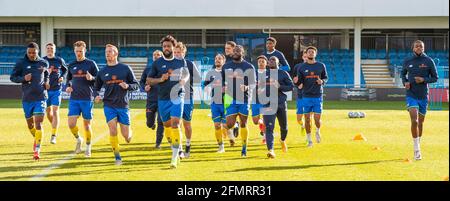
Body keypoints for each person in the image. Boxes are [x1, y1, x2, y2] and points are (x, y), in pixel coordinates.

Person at [147, 35, 190, 168]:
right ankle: (177, 148)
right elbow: (149, 80)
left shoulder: (179, 60)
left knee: (176, 124)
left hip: (177, 96)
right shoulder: (157, 63)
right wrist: (160, 79)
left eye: (169, 46)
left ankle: (174, 157)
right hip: (163, 98)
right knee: (167, 126)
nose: (166, 48)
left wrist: (184, 80)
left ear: (173, 47)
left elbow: (187, 72)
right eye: (164, 46)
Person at [94, 44, 139, 165]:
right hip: (109, 105)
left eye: (110, 51)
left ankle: (129, 133)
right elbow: (95, 88)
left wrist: (127, 86)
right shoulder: (102, 71)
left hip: (123, 105)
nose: (107, 54)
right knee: (112, 130)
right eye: (106, 52)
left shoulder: (125, 68)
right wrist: (96, 96)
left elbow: (136, 85)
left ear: (116, 54)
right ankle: (117, 157)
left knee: (126, 136)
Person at [10, 42, 50, 160]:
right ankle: (37, 138)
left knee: (38, 124)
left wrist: (47, 82)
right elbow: (13, 77)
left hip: (41, 97)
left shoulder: (43, 62)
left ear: (38, 52)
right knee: (30, 125)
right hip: (27, 99)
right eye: (30, 53)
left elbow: (46, 74)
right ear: (27, 52)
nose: (32, 55)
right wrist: (23, 78)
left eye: (34, 53)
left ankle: (37, 150)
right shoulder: (21, 63)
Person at [401, 40, 438, 160]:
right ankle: (417, 149)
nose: (419, 48)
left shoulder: (429, 61)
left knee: (420, 123)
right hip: (411, 94)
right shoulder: (408, 60)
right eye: (417, 46)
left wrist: (423, 80)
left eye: (421, 46)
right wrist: (405, 82)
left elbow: (435, 78)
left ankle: (418, 142)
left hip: (423, 96)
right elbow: (403, 74)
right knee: (414, 121)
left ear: (423, 48)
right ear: (413, 48)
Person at [66, 41, 99, 157]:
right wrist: (68, 87)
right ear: (74, 51)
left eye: (81, 51)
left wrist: (92, 78)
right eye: (77, 51)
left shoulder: (91, 64)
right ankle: (79, 139)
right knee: (71, 124)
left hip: (87, 98)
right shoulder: (71, 65)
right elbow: (68, 80)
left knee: (87, 125)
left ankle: (88, 146)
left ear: (85, 51)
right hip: (74, 99)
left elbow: (99, 80)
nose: (79, 53)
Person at [222, 45, 256, 157]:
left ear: (243, 53)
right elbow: (221, 81)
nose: (236, 52)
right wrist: (222, 88)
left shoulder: (249, 66)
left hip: (244, 99)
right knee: (229, 124)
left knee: (244, 123)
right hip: (230, 98)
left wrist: (247, 87)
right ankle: (234, 125)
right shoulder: (226, 66)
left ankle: (244, 148)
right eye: (234, 51)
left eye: (238, 51)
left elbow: (253, 83)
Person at [261, 56, 294, 158]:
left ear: (278, 63)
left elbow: (291, 86)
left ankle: (282, 140)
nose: (271, 61)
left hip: (280, 103)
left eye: (273, 60)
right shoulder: (263, 74)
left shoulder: (283, 73)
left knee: (284, 127)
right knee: (269, 128)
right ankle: (271, 150)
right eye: (269, 60)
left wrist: (280, 86)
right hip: (267, 104)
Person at [203, 53, 236, 153]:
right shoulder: (210, 73)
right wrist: (208, 88)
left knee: (226, 125)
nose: (217, 60)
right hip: (215, 102)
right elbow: (203, 85)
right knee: (217, 125)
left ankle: (230, 133)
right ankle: (221, 147)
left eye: (220, 58)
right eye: (216, 58)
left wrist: (228, 89)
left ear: (224, 61)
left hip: (227, 102)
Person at [174, 42, 201, 159]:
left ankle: (188, 144)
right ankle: (179, 149)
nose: (176, 54)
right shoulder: (171, 64)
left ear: (184, 53)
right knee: (176, 123)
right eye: (175, 52)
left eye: (179, 52)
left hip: (187, 97)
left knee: (187, 124)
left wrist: (186, 78)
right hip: (174, 97)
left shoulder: (189, 64)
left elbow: (198, 79)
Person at [297, 46, 328, 147]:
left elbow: (326, 78)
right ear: (306, 54)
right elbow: (299, 81)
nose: (311, 53)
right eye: (309, 52)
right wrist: (298, 84)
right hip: (306, 96)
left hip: (318, 95)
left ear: (315, 54)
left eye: (312, 52)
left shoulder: (321, 65)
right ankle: (309, 140)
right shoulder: (301, 67)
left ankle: (318, 131)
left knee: (317, 119)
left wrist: (322, 81)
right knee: (306, 119)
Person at [43, 42, 67, 144]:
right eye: (48, 48)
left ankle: (53, 135)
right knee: (48, 112)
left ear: (54, 50)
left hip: (57, 89)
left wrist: (62, 77)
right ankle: (54, 125)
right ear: (45, 49)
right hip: (45, 90)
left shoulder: (59, 60)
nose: (49, 50)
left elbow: (65, 70)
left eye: (51, 48)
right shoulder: (42, 61)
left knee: (55, 110)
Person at [140, 50, 164, 149]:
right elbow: (141, 82)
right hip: (151, 100)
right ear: (152, 57)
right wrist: (144, 87)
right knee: (149, 123)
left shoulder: (165, 69)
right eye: (154, 55)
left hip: (163, 99)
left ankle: (158, 143)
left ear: (162, 57)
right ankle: (151, 125)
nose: (156, 56)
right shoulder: (147, 69)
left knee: (161, 122)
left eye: (158, 55)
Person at [251, 55, 269, 144]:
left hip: (266, 100)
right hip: (255, 100)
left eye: (263, 61)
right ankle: (261, 124)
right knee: (255, 121)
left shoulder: (269, 73)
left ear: (266, 63)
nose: (261, 63)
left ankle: (265, 138)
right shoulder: (253, 74)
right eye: (259, 62)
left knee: (265, 119)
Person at [292, 50, 308, 137]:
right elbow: (294, 79)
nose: (306, 58)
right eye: (304, 57)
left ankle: (308, 137)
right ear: (302, 57)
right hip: (300, 95)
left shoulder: (314, 67)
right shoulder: (297, 66)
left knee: (309, 118)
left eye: (307, 57)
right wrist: (298, 84)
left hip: (310, 95)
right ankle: (302, 125)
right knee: (299, 119)